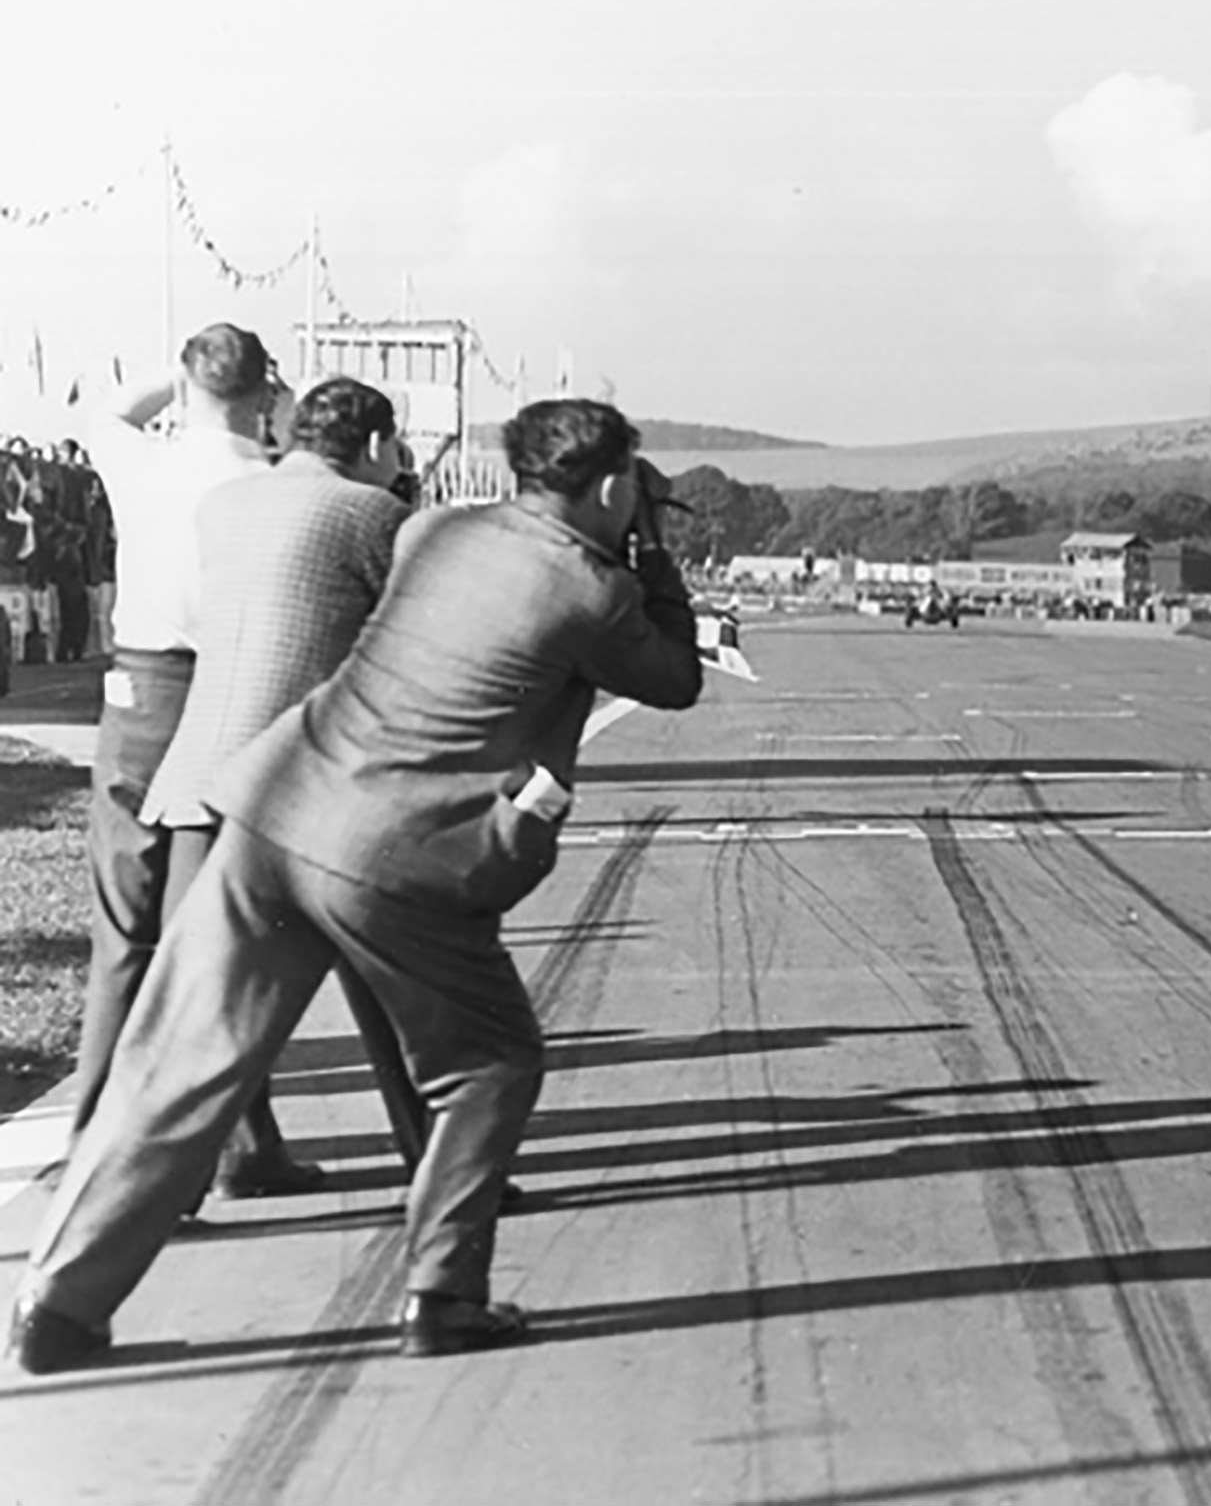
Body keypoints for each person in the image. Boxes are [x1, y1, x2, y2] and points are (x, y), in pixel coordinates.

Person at [9, 398, 703, 1374]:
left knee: (180, 1061)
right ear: (610, 485)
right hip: (395, 850)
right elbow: (674, 676)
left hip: (273, 802)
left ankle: (57, 1302)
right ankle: (442, 1293)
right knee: (490, 1063)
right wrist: (652, 551)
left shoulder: (436, 532)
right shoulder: (592, 589)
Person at [138, 376, 426, 1192]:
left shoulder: (224, 508)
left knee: (200, 997)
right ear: (374, 446)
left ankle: (214, 1166)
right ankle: (435, 1158)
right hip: (303, 792)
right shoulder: (376, 515)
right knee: (393, 981)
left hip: (197, 777)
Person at [57, 325, 280, 1164]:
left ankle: (94, 1140)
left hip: (142, 690)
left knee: (127, 927)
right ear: (263, 395)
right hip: (235, 688)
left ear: (188, 394)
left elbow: (101, 409)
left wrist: (177, 381)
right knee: (220, 927)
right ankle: (240, 1144)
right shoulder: (271, 476)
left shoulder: (141, 461)